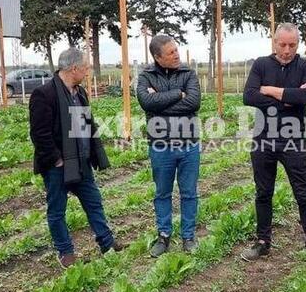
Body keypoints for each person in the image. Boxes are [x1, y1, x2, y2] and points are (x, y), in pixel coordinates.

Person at [29, 47, 123, 269]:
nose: (88, 71)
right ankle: (65, 252)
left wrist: (92, 152)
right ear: (74, 69)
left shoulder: (79, 93)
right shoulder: (45, 94)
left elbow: (85, 125)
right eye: (86, 67)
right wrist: (57, 160)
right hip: (57, 166)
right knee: (57, 210)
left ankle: (107, 243)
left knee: (94, 202)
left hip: (81, 161)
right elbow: (39, 134)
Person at [241, 22, 306, 262]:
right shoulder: (261, 64)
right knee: (263, 193)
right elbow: (248, 96)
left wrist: (270, 90)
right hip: (263, 139)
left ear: (299, 44)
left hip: (293, 140)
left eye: (292, 45)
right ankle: (263, 242)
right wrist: (288, 98)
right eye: (282, 44)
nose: (287, 50)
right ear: (274, 42)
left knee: (303, 193)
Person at [136, 34, 201, 257]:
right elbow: (146, 102)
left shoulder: (188, 73)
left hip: (188, 145)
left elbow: (194, 102)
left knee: (189, 193)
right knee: (162, 193)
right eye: (171, 52)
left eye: (176, 50)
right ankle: (164, 236)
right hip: (160, 146)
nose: (176, 55)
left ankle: (188, 236)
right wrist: (177, 95)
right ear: (158, 57)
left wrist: (160, 103)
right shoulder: (146, 76)